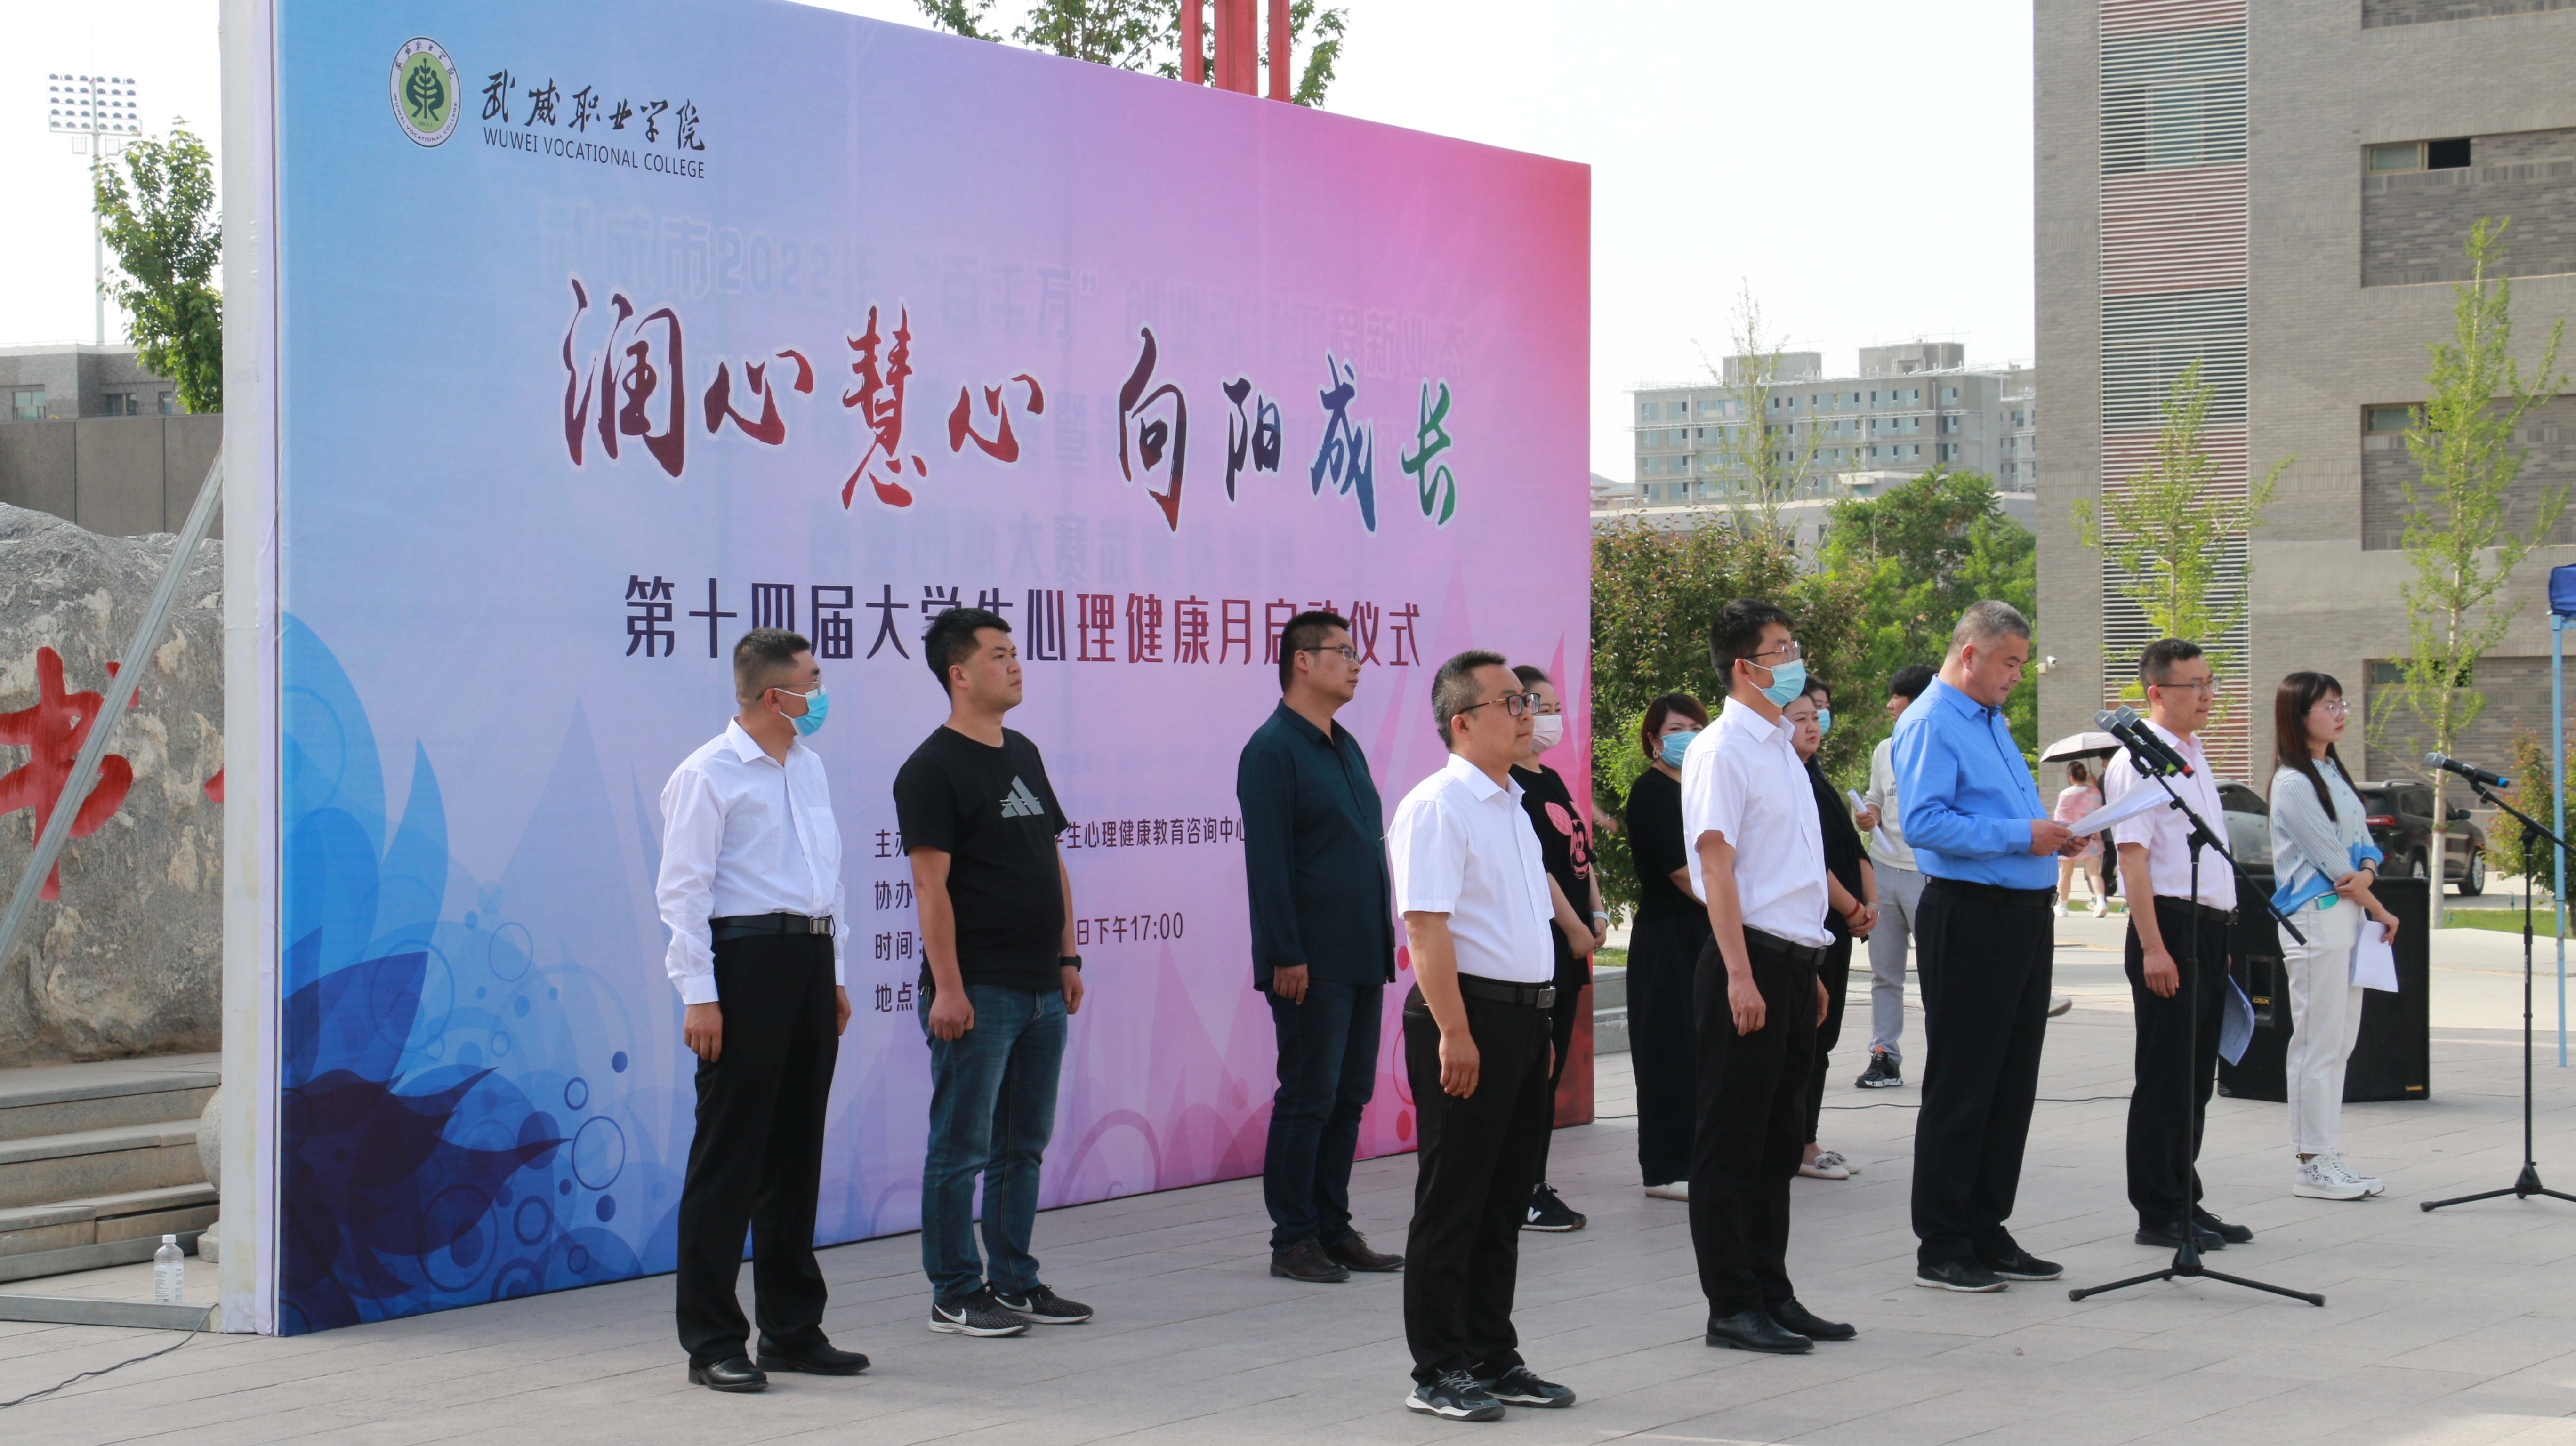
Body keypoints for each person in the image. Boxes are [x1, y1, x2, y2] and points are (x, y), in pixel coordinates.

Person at [657, 628, 868, 1392]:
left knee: (794, 1151)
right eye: (813, 680)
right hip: (743, 964)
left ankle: (791, 1328)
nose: (822, 692)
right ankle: (713, 1339)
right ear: (777, 695)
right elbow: (683, 892)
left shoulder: (807, 766)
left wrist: (833, 971)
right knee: (731, 1156)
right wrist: (699, 995)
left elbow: (825, 877)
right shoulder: (706, 773)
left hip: (809, 960)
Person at [1388, 651, 1579, 1422]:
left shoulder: (1511, 805)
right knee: (1454, 1200)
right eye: (1510, 702)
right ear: (1462, 722)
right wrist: (1454, 1031)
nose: (1527, 713)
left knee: (1504, 1201)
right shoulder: (1438, 805)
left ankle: (1492, 1355)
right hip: (1466, 1017)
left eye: (1527, 700)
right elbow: (1425, 926)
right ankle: (1437, 1368)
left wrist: (1540, 1022)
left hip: (1522, 1019)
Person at [898, 607, 1094, 1339]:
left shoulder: (1024, 751)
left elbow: (1051, 860)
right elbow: (930, 888)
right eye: (999, 654)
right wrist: (948, 987)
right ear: (959, 673)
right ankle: (955, 1292)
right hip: (977, 990)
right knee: (960, 1150)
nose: (1015, 665)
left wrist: (1067, 956)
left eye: (1015, 652)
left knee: (1022, 1147)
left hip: (1042, 985)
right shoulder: (930, 769)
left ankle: (1014, 1280)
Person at [1893, 599, 2080, 1293]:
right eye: (2009, 662)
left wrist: (2051, 837)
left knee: (2010, 1081)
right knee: (1966, 1081)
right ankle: (1942, 1243)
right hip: (1971, 915)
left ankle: (1986, 1227)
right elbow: (1924, 823)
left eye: (2022, 664)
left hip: (2023, 915)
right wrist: (2020, 836)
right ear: (1969, 654)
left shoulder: (1991, 721)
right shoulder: (1931, 721)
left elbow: (2002, 817)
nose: (2016, 677)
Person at [1683, 599, 1853, 1355]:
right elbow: (1716, 868)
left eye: (1794, 645)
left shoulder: (1783, 747)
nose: (1795, 660)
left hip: (1792, 961)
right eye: (1781, 649)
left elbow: (1790, 868)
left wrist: (1806, 962)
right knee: (1732, 1142)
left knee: (1779, 1140)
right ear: (1745, 667)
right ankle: (1732, 1304)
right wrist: (1741, 974)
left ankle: (1772, 1291)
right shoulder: (1721, 750)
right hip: (1745, 962)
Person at [1238, 610, 1408, 1283]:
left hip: (1361, 950)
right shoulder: (1272, 749)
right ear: (1302, 661)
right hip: (1309, 959)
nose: (1357, 662)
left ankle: (1333, 1228)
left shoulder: (1344, 744)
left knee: (1348, 1096)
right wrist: (1285, 952)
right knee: (1309, 1095)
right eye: (1343, 651)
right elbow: (1268, 864)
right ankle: (1293, 1239)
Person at [2102, 638, 2257, 1253]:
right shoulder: (2138, 761)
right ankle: (2158, 1209)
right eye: (2194, 685)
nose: (2207, 695)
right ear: (2157, 692)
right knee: (2166, 1077)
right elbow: (2133, 859)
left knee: (2195, 1079)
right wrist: (2154, 947)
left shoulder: (2192, 755)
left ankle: (2185, 1198)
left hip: (2207, 929)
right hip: (2167, 926)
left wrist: (2220, 933)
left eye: (2209, 682)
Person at [2267, 671, 2398, 1201]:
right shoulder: (2293, 783)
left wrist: (2368, 873)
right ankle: (2311, 1161)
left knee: (2341, 1040)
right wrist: (2378, 904)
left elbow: (2364, 845)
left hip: (2348, 916)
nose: (2341, 714)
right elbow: (2332, 861)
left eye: (2342, 704)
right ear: (2298, 716)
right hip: (2316, 917)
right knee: (2317, 1040)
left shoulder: (2330, 772)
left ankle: (2326, 1151)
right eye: (2329, 706)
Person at [1511, 664, 1603, 1232]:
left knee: (1550, 1070)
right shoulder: (1510, 788)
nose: (1549, 718)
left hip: (1573, 945)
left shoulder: (1551, 779)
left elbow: (1579, 853)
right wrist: (1572, 928)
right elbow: (1537, 869)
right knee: (1534, 1072)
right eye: (1537, 707)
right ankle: (1520, 1189)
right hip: (1544, 947)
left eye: (1553, 708)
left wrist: (1597, 912)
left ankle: (1534, 1181)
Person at [1622, 692, 1711, 1199]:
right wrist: (1735, 910)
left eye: (1697, 728)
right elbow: (1683, 873)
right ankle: (1665, 1168)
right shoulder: (1651, 792)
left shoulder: (1704, 789)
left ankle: (1702, 1157)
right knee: (1669, 1050)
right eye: (1677, 730)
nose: (1689, 737)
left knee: (1705, 1051)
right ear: (1655, 740)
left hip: (1708, 929)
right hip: (1669, 936)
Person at [1784, 680, 1874, 1181]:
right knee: (1806, 1039)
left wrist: (1869, 904)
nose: (1813, 725)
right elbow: (1810, 863)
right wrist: (1853, 906)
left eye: (1817, 715)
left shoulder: (1818, 780)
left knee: (1824, 1038)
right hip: (1809, 927)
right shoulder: (1785, 782)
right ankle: (1798, 1144)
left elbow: (1853, 851)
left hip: (1839, 927)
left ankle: (1807, 1138)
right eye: (1801, 717)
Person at [1853, 664, 1934, 1089]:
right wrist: (1869, 816)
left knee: (1938, 974)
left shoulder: (1941, 745)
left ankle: (1949, 1055)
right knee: (1885, 974)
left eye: (1897, 697)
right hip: (1884, 870)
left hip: (1929, 875)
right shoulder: (1885, 749)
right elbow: (1876, 798)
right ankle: (1884, 1055)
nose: (1890, 704)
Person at [2054, 762, 2109, 917]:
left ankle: (2063, 906)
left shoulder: (2065, 794)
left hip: (2070, 838)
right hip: (2091, 837)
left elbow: (2059, 817)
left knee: (2065, 874)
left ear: (2071, 777)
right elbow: (2100, 813)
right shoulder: (2095, 792)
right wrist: (2094, 785)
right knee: (2094, 873)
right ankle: (2101, 902)